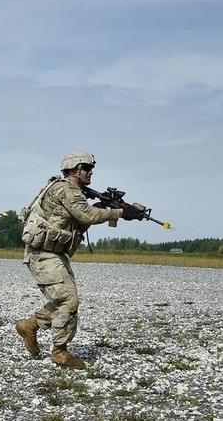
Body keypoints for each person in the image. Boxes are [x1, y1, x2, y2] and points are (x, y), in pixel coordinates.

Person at [15, 150, 143, 367]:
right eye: (87, 168)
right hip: (43, 254)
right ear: (74, 169)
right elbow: (87, 215)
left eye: (92, 168)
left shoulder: (76, 192)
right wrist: (119, 212)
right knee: (68, 299)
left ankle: (30, 326)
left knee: (62, 299)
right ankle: (59, 351)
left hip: (55, 253)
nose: (91, 172)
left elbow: (83, 218)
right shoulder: (66, 189)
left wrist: (109, 207)